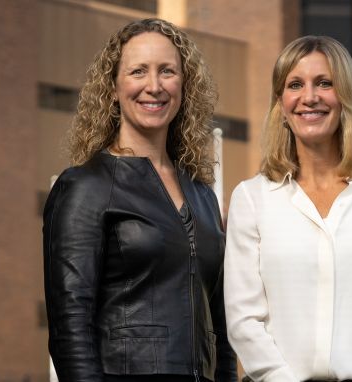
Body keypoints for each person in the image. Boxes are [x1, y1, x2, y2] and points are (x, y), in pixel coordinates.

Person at [224, 36, 352, 382]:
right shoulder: (251, 198)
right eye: (295, 85)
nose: (310, 97)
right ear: (281, 103)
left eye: (324, 83)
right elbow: (244, 320)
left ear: (346, 95)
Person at [42, 18, 237, 382]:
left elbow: (222, 324)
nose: (154, 86)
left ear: (184, 85)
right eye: (138, 72)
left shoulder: (202, 194)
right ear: (113, 87)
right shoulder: (85, 186)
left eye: (167, 71)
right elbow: (71, 326)